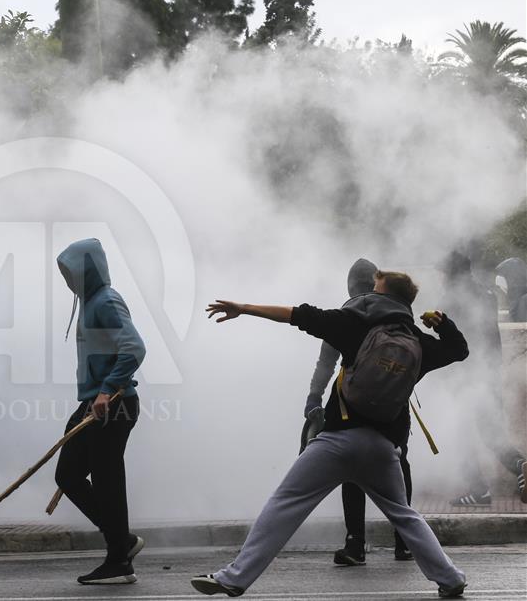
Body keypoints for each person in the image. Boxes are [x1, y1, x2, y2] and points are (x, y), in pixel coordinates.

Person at [193, 270, 468, 598]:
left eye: (374, 289)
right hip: (383, 448)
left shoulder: (354, 324)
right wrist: (442, 323)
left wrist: (245, 307)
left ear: (379, 295)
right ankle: (450, 578)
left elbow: (296, 315)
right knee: (404, 515)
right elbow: (459, 351)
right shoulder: (418, 343)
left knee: (286, 502)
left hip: (337, 441)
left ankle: (234, 577)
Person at [302, 258, 415, 564]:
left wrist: (314, 397)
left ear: (351, 287)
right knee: (398, 463)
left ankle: (355, 544)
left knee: (352, 470)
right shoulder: (399, 315)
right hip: (393, 407)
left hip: (350, 405)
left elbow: (326, 362)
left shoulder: (346, 315)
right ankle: (405, 541)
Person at [53, 238, 147, 585]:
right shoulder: (89, 302)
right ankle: (121, 541)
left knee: (107, 481)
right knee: (68, 475)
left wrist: (107, 389)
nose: (66, 279)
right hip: (94, 404)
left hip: (115, 403)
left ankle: (118, 558)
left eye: (69, 271)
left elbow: (134, 347)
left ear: (86, 270)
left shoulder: (106, 300)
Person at [440, 251, 526, 506]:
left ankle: (479, 490)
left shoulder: (454, 298)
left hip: (467, 377)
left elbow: (451, 340)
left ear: (452, 273)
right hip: (488, 371)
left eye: (444, 272)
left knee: (461, 432)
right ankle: (521, 465)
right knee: (492, 432)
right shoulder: (486, 293)